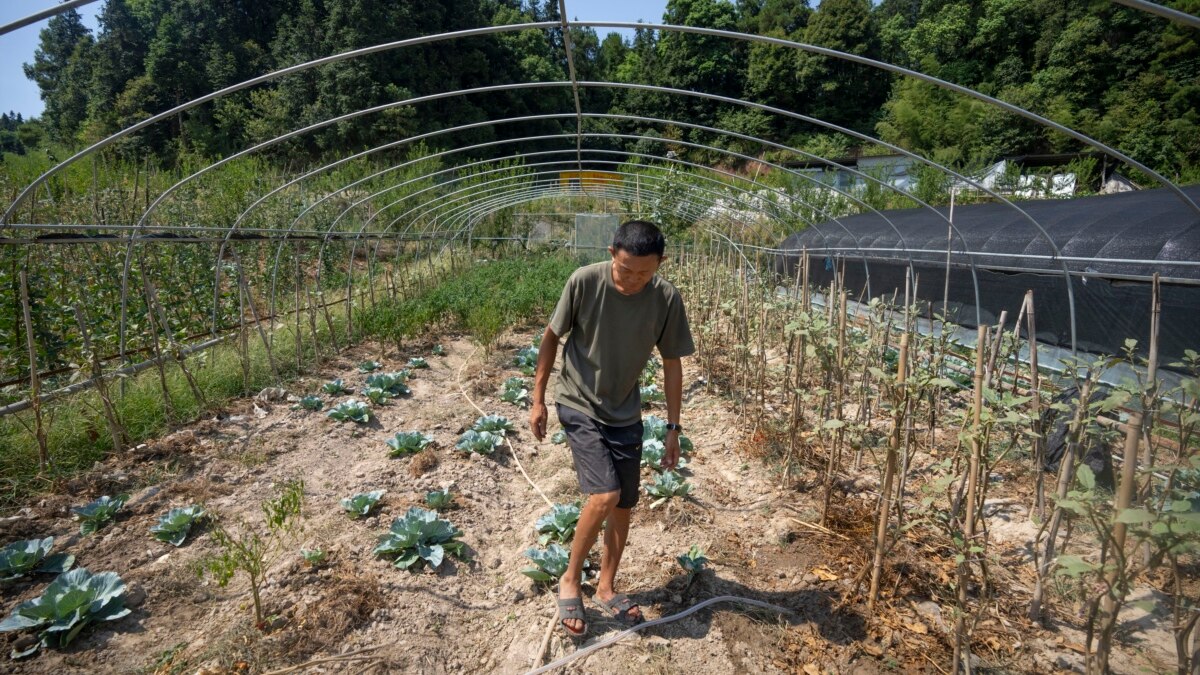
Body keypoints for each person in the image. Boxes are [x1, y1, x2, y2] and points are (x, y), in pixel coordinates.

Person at [529, 220, 695, 636]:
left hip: (625, 411)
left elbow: (673, 363)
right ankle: (571, 578)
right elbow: (551, 337)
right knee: (605, 494)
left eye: (644, 273)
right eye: (625, 270)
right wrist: (537, 398)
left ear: (661, 264)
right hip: (578, 399)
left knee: (624, 504)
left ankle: (606, 586)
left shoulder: (666, 298)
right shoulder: (585, 281)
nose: (632, 280)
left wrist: (673, 427)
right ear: (611, 254)